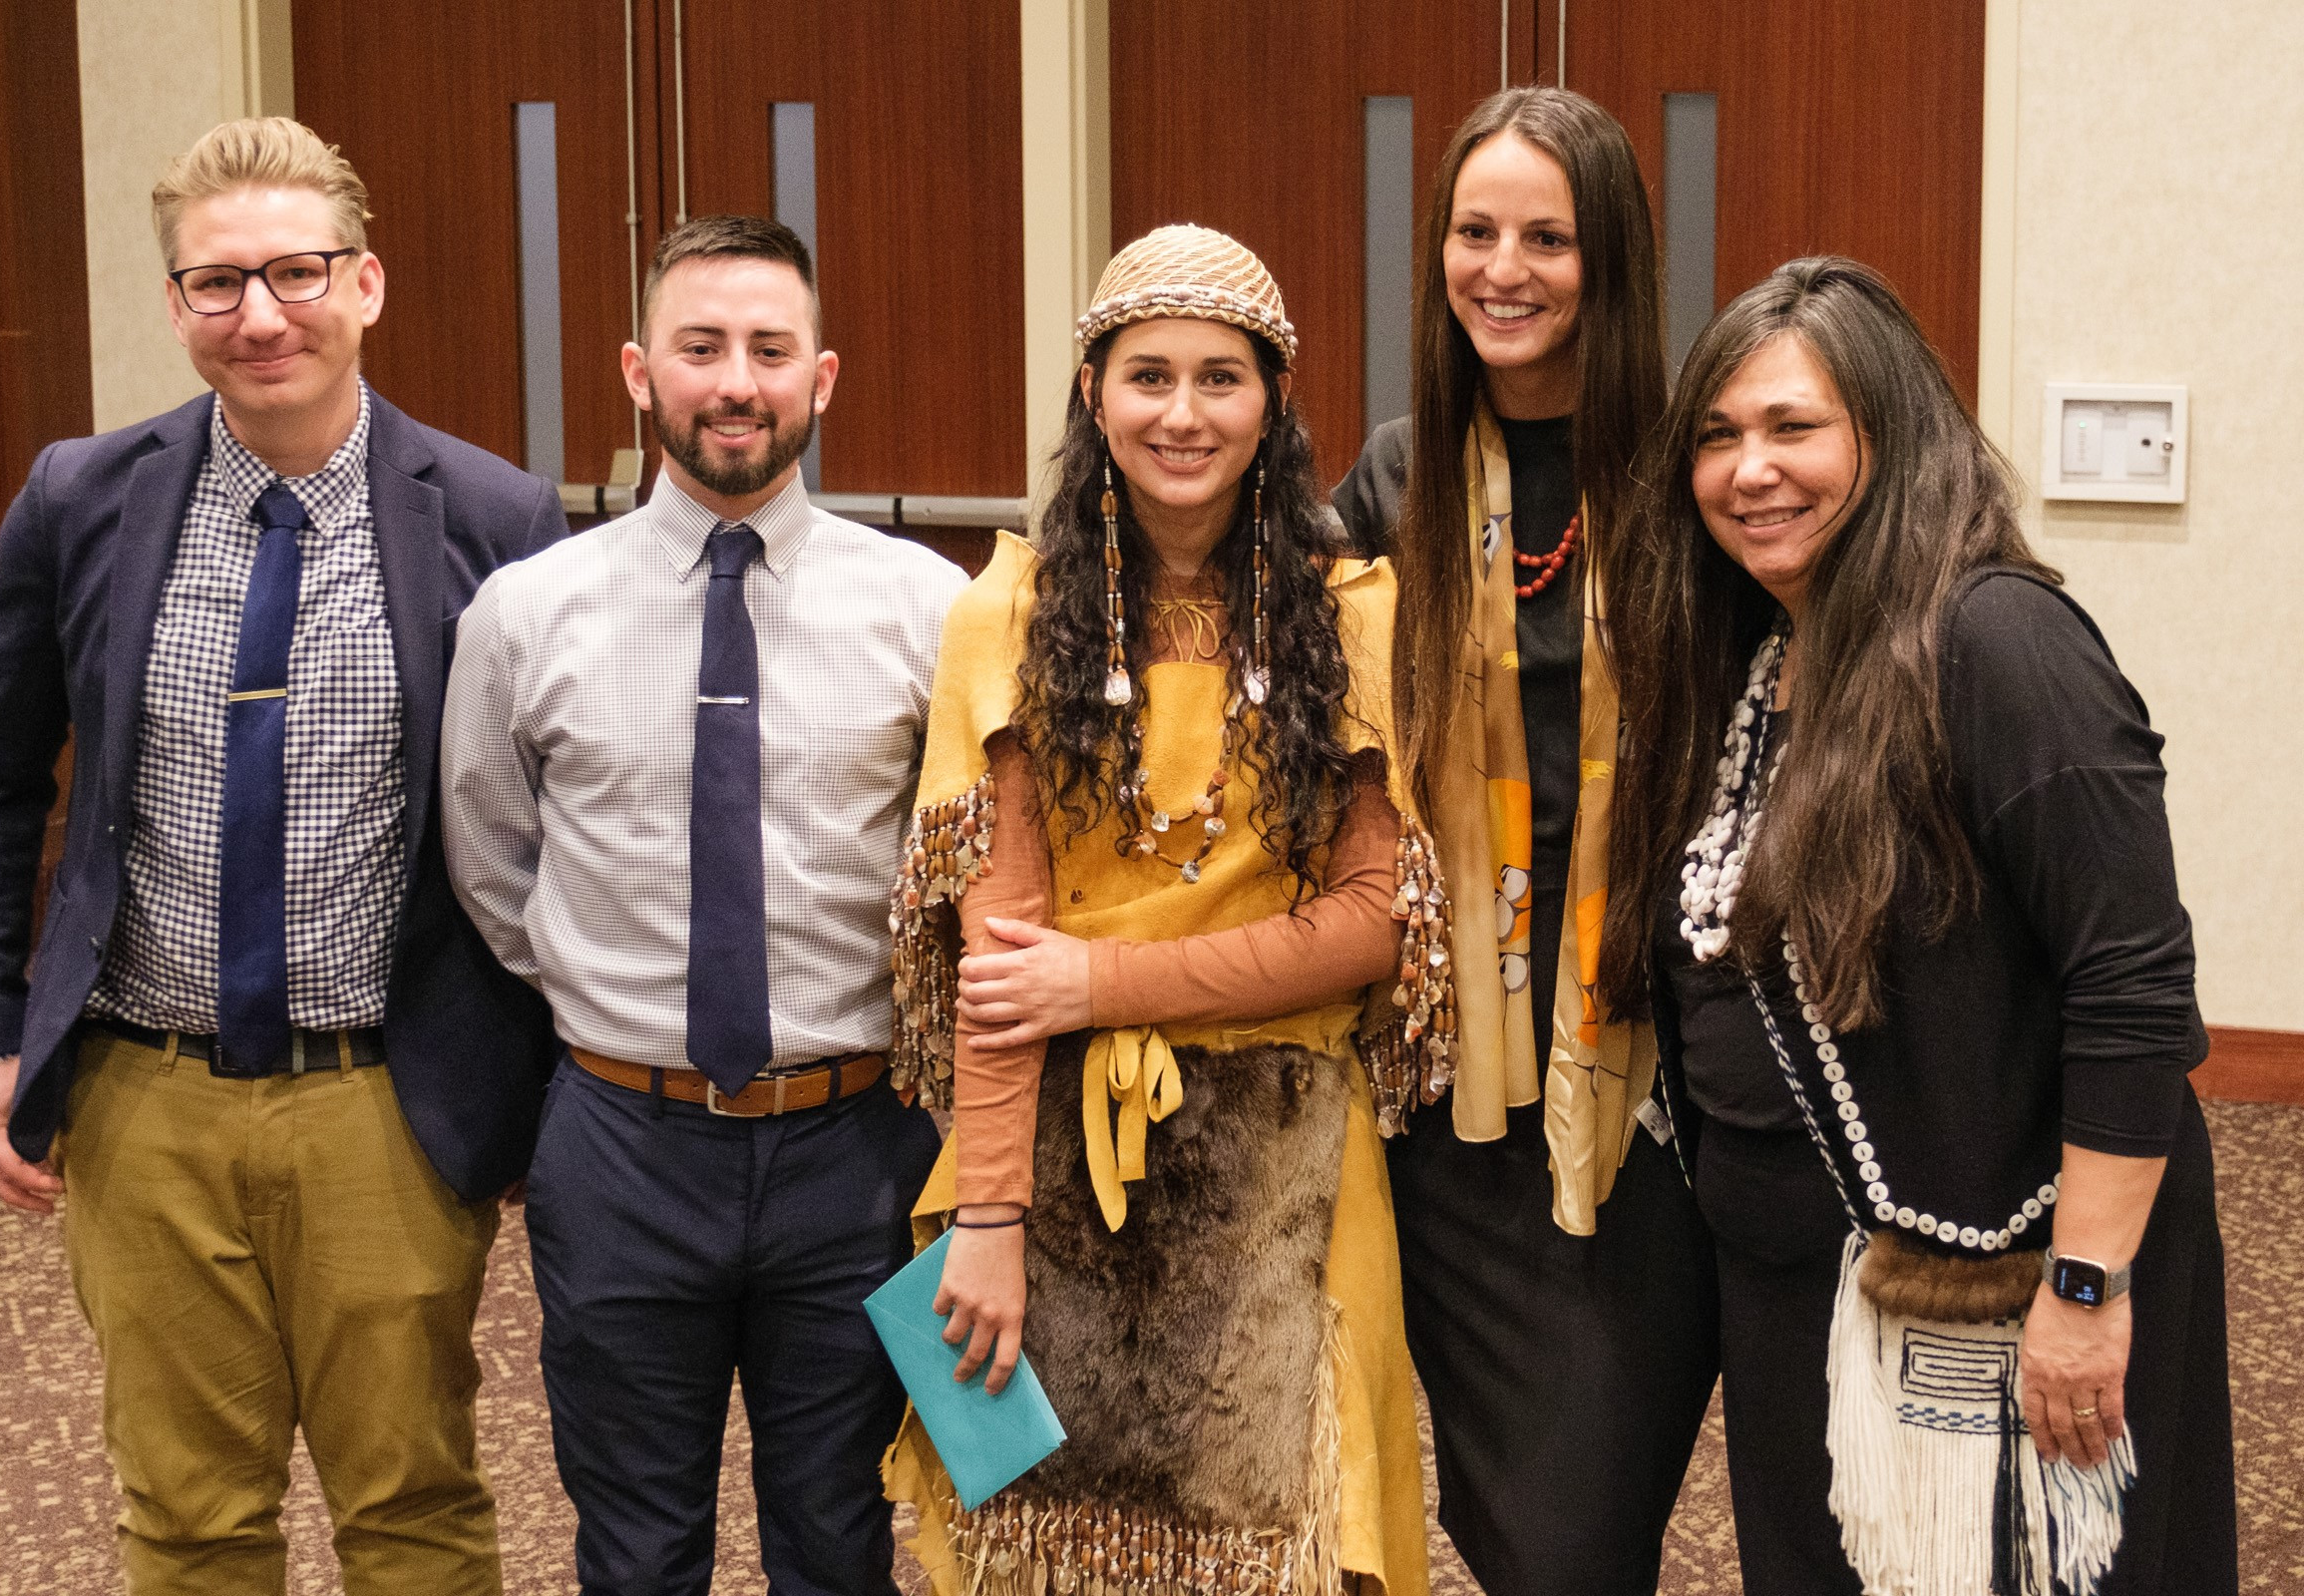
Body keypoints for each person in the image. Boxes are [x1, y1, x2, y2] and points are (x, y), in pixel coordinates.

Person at [0, 118, 565, 1594]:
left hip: (381, 1100)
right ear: (176, 305)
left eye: (296, 272)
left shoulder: (494, 517)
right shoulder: (80, 498)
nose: (261, 315)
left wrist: (537, 1069)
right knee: (189, 1514)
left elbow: (548, 811)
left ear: (368, 284)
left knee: (413, 1504)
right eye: (219, 284)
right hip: (144, 1096)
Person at [1601, 255, 2237, 1593]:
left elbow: (2134, 987)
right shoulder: (1769, 656)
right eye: (1717, 437)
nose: (1748, 471)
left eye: (1792, 428)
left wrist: (2084, 1291)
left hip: (2016, 1286)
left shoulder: (2001, 640)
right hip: (1808, 1285)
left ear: (1889, 439)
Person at [883, 224, 1438, 1596]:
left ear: (1274, 403)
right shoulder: (1003, 615)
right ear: (1091, 393)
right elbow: (999, 961)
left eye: (1221, 379)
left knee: (1298, 1555)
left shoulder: (1354, 610)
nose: (1183, 414)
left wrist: (1105, 985)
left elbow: (1378, 922)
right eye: (1148, 377)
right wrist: (991, 1228)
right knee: (1020, 1553)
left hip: (1299, 1164)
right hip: (1042, 1158)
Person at [441, 212, 964, 1595]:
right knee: (633, 1548)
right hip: (623, 1145)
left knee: (842, 1539)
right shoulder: (526, 612)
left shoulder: (930, 610)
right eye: (701, 348)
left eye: (770, 351)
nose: (736, 381)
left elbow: (963, 876)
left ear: (823, 377)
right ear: (638, 369)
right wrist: (600, 999)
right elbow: (494, 868)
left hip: (859, 1145)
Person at [1333, 87, 1719, 1594]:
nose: (1507, 267)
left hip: (1649, 1073)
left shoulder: (1690, 467)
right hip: (1452, 1091)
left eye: (1548, 237)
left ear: (1608, 253)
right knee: (1510, 1529)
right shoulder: (1394, 478)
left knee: (1578, 1530)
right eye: (1477, 231)